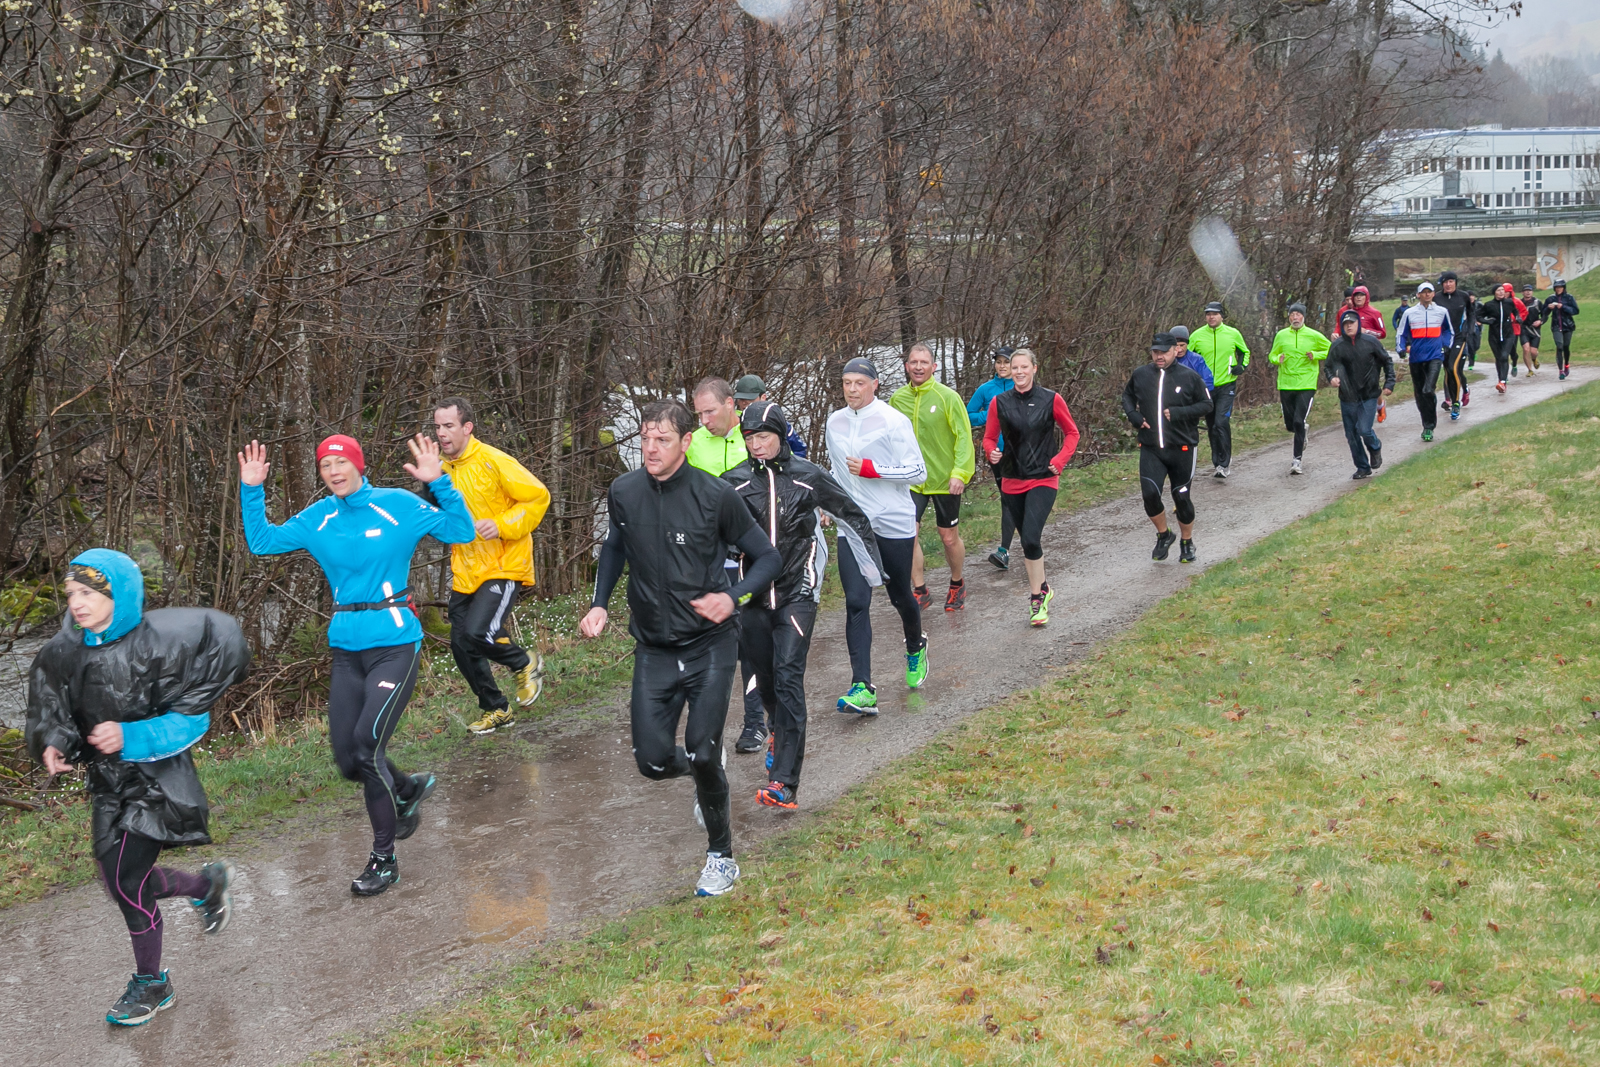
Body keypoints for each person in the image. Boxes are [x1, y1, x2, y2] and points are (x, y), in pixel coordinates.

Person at [240, 432, 475, 895]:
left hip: (395, 644)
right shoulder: (319, 517)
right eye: (325, 466)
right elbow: (263, 542)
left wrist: (439, 482)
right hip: (347, 648)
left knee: (367, 749)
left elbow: (461, 531)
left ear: (358, 464)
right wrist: (252, 489)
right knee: (350, 762)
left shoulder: (397, 506)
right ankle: (404, 789)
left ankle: (384, 860)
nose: (334, 472)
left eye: (341, 462)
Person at [27, 549, 250, 1026]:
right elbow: (54, 708)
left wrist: (131, 736)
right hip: (107, 782)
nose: (77, 603)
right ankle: (207, 885)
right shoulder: (66, 652)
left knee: (128, 882)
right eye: (71, 593)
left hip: (157, 781)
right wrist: (54, 742)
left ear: (119, 595)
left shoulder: (159, 645)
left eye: (88, 593)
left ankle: (152, 983)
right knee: (117, 882)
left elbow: (192, 720)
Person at [579, 399, 781, 896]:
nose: (650, 448)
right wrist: (600, 603)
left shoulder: (716, 496)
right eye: (644, 438)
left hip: (710, 643)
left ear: (686, 442)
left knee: (703, 748)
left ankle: (721, 857)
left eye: (662, 439)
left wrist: (732, 597)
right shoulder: (624, 491)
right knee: (651, 762)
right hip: (654, 648)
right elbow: (615, 546)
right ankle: (704, 769)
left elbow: (767, 558)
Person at [723, 401, 882, 810]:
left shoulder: (809, 476)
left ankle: (784, 783)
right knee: (766, 678)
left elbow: (852, 514)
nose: (756, 445)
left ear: (780, 436)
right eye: (749, 438)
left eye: (764, 437)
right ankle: (775, 726)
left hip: (798, 591)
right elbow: (711, 535)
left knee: (789, 677)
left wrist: (873, 570)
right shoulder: (733, 483)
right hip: (753, 596)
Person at [432, 397, 552, 735]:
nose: (441, 433)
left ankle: (524, 663)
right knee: (461, 644)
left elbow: (538, 497)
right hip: (466, 570)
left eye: (449, 426)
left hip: (504, 562)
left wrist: (501, 524)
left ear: (467, 428)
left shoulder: (494, 460)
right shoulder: (440, 469)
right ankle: (496, 708)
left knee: (477, 631)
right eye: (438, 427)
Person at [827, 357, 930, 712]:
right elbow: (836, 471)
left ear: (874, 385)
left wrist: (874, 470)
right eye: (847, 383)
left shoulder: (893, 421)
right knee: (856, 601)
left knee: (900, 595)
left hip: (892, 520)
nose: (852, 390)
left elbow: (918, 471)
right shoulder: (834, 422)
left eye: (859, 383)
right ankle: (862, 687)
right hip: (854, 523)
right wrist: (827, 503)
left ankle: (915, 645)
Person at [982, 348, 1080, 625]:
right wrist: (991, 452)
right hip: (1012, 479)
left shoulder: (1051, 399)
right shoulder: (999, 402)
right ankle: (1044, 587)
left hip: (1043, 477)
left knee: (1030, 538)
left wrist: (1060, 460)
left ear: (1034, 368)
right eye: (1015, 368)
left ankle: (1036, 598)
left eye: (1024, 367)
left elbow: (1072, 433)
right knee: (1027, 540)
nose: (1019, 372)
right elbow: (989, 438)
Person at [890, 342, 975, 612]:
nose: (918, 367)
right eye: (914, 363)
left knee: (948, 537)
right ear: (907, 366)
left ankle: (957, 583)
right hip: (911, 480)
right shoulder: (897, 399)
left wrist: (960, 473)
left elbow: (963, 437)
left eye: (924, 363)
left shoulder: (947, 397)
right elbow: (889, 438)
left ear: (933, 367)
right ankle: (920, 590)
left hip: (944, 479)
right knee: (909, 535)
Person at [1122, 334, 1212, 563]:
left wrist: (1180, 413)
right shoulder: (1141, 374)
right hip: (1151, 447)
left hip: (1182, 448)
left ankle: (1187, 542)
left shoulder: (1189, 377)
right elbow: (1127, 396)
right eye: (1155, 352)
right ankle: (1164, 535)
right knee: (1150, 494)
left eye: (1164, 352)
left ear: (1175, 351)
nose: (1159, 356)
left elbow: (1207, 404)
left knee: (1181, 497)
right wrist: (1133, 415)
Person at [1324, 310, 1396, 478]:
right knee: (1351, 434)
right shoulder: (1337, 346)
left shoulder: (1371, 342)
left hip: (1368, 394)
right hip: (1347, 396)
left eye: (1352, 323)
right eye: (1345, 324)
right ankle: (1363, 467)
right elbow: (1328, 366)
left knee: (1364, 429)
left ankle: (1375, 447)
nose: (1349, 326)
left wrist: (1389, 383)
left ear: (1358, 324)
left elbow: (1387, 361)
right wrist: (1332, 378)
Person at [1267, 303, 1331, 475]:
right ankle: (1302, 430)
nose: (1295, 318)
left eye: (1298, 315)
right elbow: (1272, 355)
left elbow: (1331, 349)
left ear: (1303, 317)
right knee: (1290, 425)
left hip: (1306, 383)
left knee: (1298, 420)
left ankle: (1297, 460)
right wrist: (1277, 359)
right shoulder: (1281, 335)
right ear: (1289, 317)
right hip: (1286, 383)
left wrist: (1315, 355)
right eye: (1292, 315)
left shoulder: (1313, 335)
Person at [1188, 301, 1251, 479]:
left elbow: (1245, 352)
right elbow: (1186, 357)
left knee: (1221, 422)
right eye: (1208, 314)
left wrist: (1241, 366)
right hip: (1205, 387)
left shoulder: (1233, 333)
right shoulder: (1197, 335)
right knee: (1212, 426)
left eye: (1215, 314)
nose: (1211, 317)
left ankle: (1224, 462)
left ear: (1222, 316)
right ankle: (1217, 462)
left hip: (1226, 385)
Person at [967, 346, 1016, 570]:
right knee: (1008, 499)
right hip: (997, 454)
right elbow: (968, 416)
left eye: (1006, 362)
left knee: (1017, 500)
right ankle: (1005, 551)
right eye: (999, 362)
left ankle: (1017, 545)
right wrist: (990, 414)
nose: (1002, 366)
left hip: (1023, 453)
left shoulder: (1021, 386)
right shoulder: (986, 389)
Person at [1397, 281, 1454, 442]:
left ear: (1433, 294)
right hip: (1416, 357)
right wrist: (1401, 348)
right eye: (1424, 292)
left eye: (1430, 291)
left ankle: (1430, 425)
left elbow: (1449, 331)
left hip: (1435, 356)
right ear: (1418, 295)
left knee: (1428, 389)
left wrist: (1446, 345)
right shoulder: (1409, 313)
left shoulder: (1442, 312)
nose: (1427, 294)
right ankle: (1426, 424)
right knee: (1420, 393)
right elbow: (1401, 333)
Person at [733, 374, 808, 457]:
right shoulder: (732, 424)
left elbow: (799, 451)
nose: (744, 402)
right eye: (741, 399)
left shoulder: (777, 423)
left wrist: (785, 464)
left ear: (763, 397)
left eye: (749, 398)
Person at [687, 377, 749, 477]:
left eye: (709, 411)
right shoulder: (692, 442)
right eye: (699, 414)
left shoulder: (755, 436)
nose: (704, 421)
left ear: (729, 403)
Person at [1435, 271, 1476, 418]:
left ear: (1455, 282)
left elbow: (1471, 313)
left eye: (1451, 281)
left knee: (1453, 368)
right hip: (1443, 338)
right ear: (1442, 284)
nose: (1448, 284)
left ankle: (1456, 403)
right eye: (1445, 282)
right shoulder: (1436, 298)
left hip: (1459, 337)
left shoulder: (1463, 296)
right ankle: (1452, 399)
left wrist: (1469, 330)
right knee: (1448, 370)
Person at [1478, 282, 1522, 394]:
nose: (1501, 292)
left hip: (1508, 335)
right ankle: (1501, 380)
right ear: (1494, 293)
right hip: (1494, 336)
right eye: (1498, 290)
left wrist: (1517, 317)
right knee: (1498, 358)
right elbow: (1478, 316)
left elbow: (1515, 311)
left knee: (1504, 356)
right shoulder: (1489, 305)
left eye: (1503, 290)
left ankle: (1502, 382)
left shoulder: (1509, 302)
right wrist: (1487, 321)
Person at [1544, 278, 1580, 380]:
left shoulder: (1569, 298)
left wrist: (1563, 307)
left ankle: (1566, 364)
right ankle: (1560, 370)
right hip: (1556, 326)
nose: (1558, 289)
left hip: (1568, 325)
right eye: (1557, 287)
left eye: (1560, 287)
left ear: (1564, 288)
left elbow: (1576, 311)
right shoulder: (1550, 299)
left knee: (1566, 346)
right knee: (1559, 346)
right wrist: (1548, 308)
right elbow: (1543, 313)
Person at [1168, 326, 1215, 390]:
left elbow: (1208, 382)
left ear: (1187, 344)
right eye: (1176, 346)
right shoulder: (1165, 360)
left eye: (1182, 345)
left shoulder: (1197, 360)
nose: (1179, 350)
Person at [1520, 283, 1543, 376]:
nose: (1528, 292)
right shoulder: (1518, 303)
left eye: (1529, 290)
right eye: (1526, 291)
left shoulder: (1537, 302)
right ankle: (1530, 370)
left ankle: (1534, 359)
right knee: (1526, 349)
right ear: (1522, 293)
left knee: (1533, 351)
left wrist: (1540, 321)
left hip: (1535, 329)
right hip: (1523, 329)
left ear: (1532, 292)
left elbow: (1544, 315)